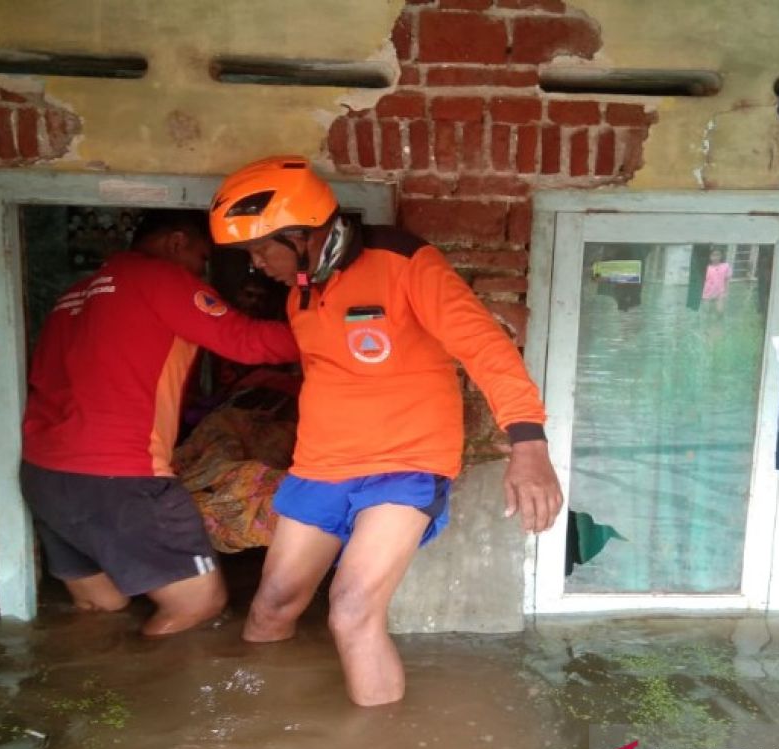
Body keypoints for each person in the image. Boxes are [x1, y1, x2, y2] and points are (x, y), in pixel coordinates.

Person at [209, 156, 564, 706]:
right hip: (322, 467)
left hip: (405, 466)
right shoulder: (300, 290)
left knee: (350, 611)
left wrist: (529, 443)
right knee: (271, 607)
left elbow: (484, 346)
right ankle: (259, 730)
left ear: (302, 233)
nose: (256, 265)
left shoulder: (403, 260)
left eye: (261, 249)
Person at [19, 209, 299, 637]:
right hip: (121, 477)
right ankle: (152, 694)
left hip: (44, 474)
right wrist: (328, 331)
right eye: (202, 257)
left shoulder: (73, 295)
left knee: (102, 604)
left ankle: (92, 689)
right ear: (177, 243)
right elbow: (245, 340)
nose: (202, 270)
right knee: (200, 605)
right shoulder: (160, 279)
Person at [701, 247, 733, 312]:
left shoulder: (725, 266)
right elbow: (702, 281)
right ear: (710, 256)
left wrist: (726, 292)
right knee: (707, 311)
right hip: (707, 293)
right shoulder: (706, 267)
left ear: (721, 256)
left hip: (720, 293)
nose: (715, 257)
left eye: (718, 255)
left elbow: (726, 280)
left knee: (720, 311)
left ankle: (718, 322)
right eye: (713, 255)